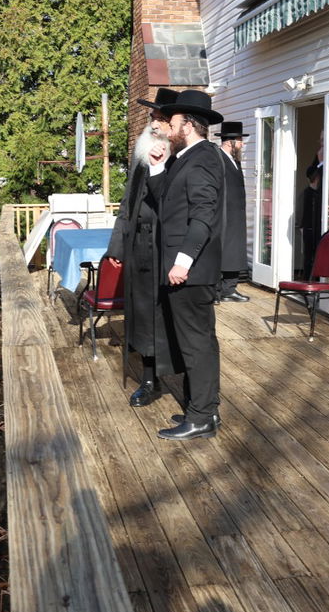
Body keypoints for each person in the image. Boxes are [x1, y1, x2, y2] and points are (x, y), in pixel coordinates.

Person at [153, 89, 225, 440]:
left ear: (189, 125)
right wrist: (156, 165)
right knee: (197, 343)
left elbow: (202, 216)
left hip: (190, 272)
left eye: (174, 121)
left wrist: (183, 262)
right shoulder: (185, 158)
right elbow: (167, 202)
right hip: (185, 269)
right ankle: (204, 410)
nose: (169, 125)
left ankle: (201, 416)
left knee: (197, 344)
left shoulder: (204, 158)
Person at [106, 118, 171, 407]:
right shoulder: (141, 150)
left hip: (165, 250)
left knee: (165, 318)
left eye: (162, 120)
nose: (154, 125)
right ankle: (149, 380)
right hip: (137, 248)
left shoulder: (179, 155)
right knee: (142, 318)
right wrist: (117, 247)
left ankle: (174, 374)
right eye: (152, 120)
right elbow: (127, 202)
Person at [215, 121, 250, 303]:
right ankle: (216, 291)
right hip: (223, 214)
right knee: (221, 251)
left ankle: (229, 289)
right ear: (230, 141)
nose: (242, 144)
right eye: (240, 140)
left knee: (234, 251)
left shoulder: (234, 160)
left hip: (236, 214)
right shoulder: (218, 158)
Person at [299, 163, 322, 280]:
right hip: (309, 229)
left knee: (313, 257)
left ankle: (311, 280)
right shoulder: (308, 194)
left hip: (311, 228)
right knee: (309, 257)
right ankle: (307, 280)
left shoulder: (314, 193)